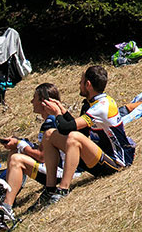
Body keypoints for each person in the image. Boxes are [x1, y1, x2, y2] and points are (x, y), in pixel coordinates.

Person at [38, 65, 127, 205]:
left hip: (115, 163)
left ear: (88, 84)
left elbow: (67, 128)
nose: (79, 85)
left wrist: (57, 113)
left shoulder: (102, 106)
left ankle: (63, 189)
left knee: (74, 137)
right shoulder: (91, 104)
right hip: (99, 157)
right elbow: (80, 131)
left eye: (81, 82)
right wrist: (63, 111)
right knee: (49, 134)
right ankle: (50, 189)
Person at [0, 82, 65, 212]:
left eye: (34, 98)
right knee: (14, 151)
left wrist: (21, 145)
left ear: (43, 102)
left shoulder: (50, 122)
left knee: (16, 159)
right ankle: (9, 196)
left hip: (59, 172)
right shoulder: (54, 119)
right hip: (57, 168)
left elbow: (42, 157)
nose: (31, 101)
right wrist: (20, 143)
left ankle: (6, 207)